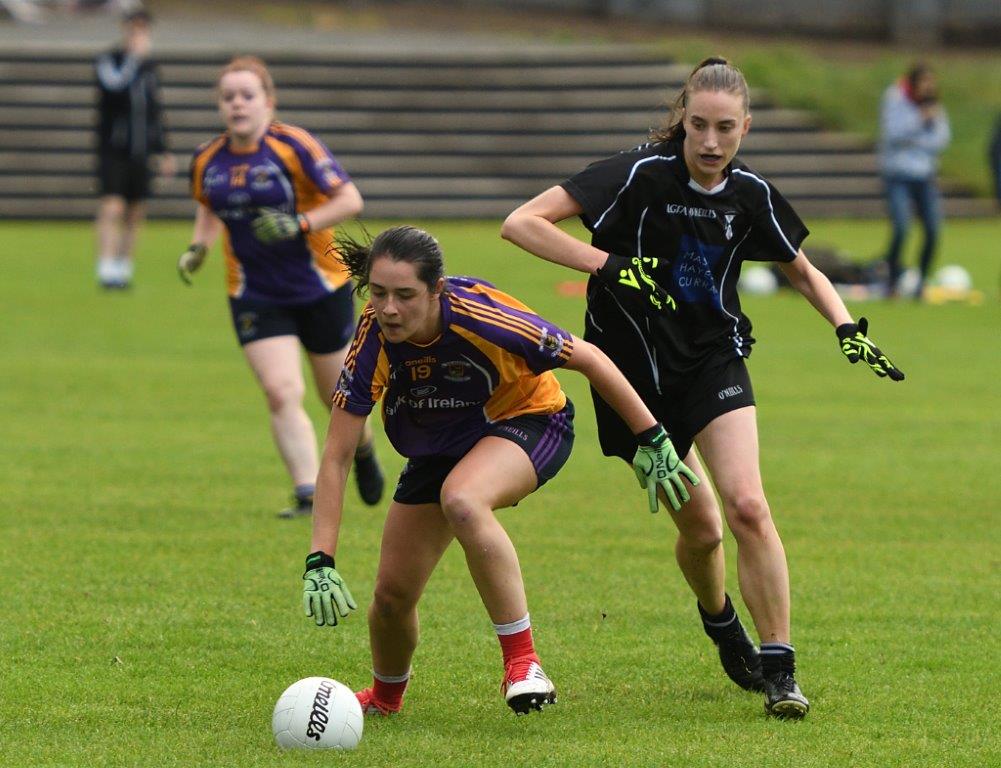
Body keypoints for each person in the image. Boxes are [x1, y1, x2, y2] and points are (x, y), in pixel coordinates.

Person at [501, 57, 906, 720]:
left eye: (725, 128)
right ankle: (720, 622)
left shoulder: (749, 193)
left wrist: (843, 327)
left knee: (746, 505)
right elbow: (521, 223)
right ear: (681, 122)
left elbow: (801, 271)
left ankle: (779, 669)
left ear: (744, 127)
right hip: (627, 376)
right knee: (702, 529)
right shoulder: (637, 172)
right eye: (698, 126)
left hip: (711, 362)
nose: (711, 142)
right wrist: (608, 264)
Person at [300, 225, 699, 717]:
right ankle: (384, 700)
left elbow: (591, 358)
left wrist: (652, 437)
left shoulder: (482, 316)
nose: (389, 309)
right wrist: (320, 559)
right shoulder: (373, 337)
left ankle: (524, 663)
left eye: (405, 295)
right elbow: (338, 456)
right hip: (440, 448)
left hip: (529, 420)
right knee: (390, 598)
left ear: (436, 290)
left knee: (463, 499)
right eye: (379, 293)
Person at [178, 55, 384, 517]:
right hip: (253, 292)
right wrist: (199, 246)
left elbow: (350, 199)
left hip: (319, 287)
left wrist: (301, 223)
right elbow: (209, 204)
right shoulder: (208, 159)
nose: (237, 105)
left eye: (247, 95)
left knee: (337, 397)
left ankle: (365, 451)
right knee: (280, 390)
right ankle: (307, 492)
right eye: (228, 97)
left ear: (268, 103)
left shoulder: (295, 146)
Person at [94, 7, 175, 289]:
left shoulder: (150, 68)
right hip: (114, 149)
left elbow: (154, 110)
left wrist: (163, 150)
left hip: (141, 151)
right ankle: (105, 267)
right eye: (134, 29)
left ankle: (123, 267)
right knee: (112, 206)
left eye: (143, 30)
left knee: (135, 211)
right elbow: (113, 88)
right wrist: (133, 60)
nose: (138, 34)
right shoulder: (110, 60)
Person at [878, 63, 951, 299]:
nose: (929, 88)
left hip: (925, 175)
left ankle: (920, 282)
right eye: (925, 82)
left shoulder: (934, 105)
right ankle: (891, 278)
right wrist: (920, 121)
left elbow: (941, 139)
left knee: (932, 230)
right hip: (898, 175)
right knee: (901, 228)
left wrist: (918, 137)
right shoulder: (896, 98)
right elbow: (892, 133)